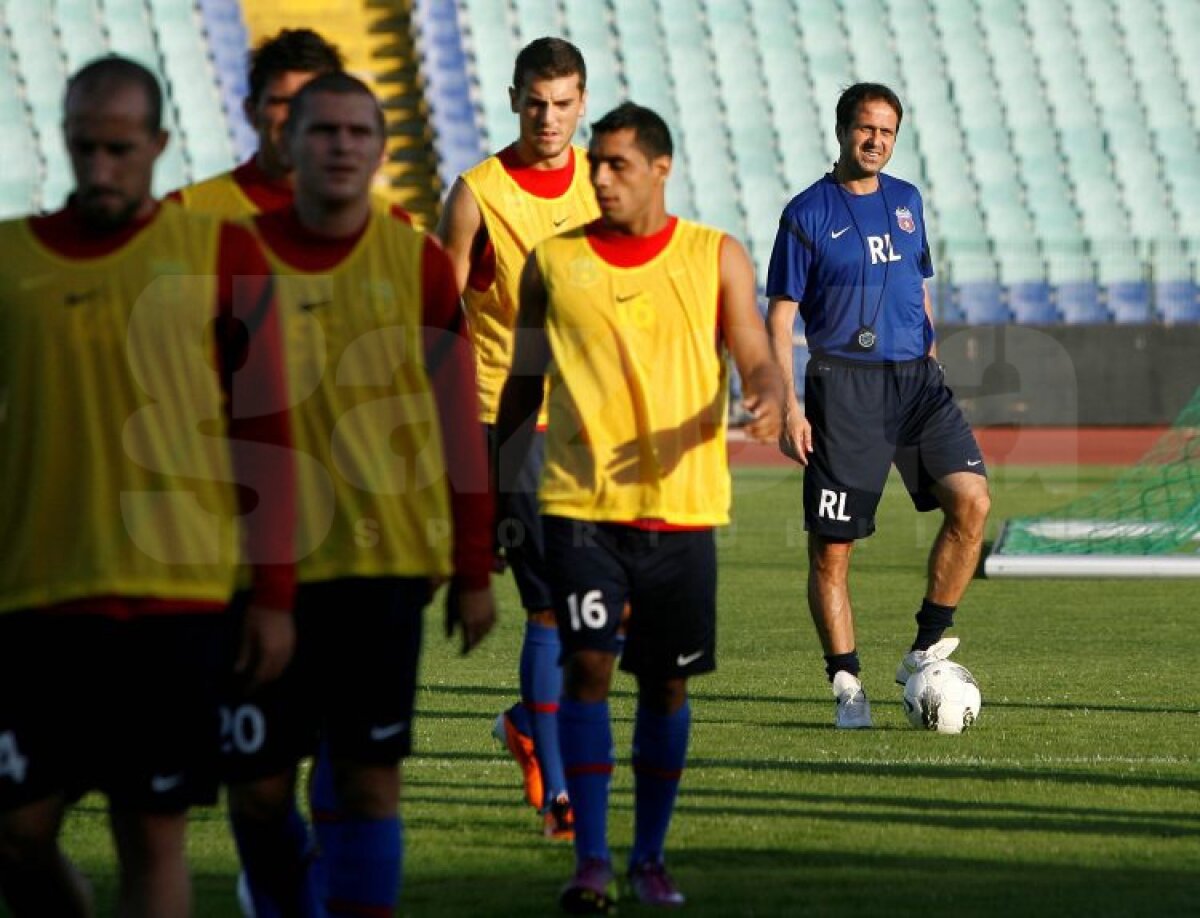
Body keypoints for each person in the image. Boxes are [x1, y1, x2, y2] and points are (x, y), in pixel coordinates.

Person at [0, 56, 296, 916]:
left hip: (174, 601)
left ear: (158, 144)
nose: (100, 168)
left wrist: (273, 593)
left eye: (119, 149)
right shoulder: (11, 262)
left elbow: (265, 431)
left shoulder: (218, 251)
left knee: (151, 832)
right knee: (14, 832)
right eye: (85, 148)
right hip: (31, 600)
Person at [495, 101, 784, 913]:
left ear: (661, 168)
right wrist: (497, 491)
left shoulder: (714, 255)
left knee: (664, 686)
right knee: (587, 665)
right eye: (597, 164)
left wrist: (767, 398)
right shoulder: (554, 262)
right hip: (580, 508)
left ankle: (648, 858)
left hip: (685, 511)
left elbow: (756, 355)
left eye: (619, 163)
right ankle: (590, 860)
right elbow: (521, 386)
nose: (601, 178)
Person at [222, 72, 496, 918]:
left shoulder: (411, 258)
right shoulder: (230, 254)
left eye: (357, 132)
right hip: (253, 570)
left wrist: (475, 563)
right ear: (288, 144)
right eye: (322, 130)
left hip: (382, 568)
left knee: (371, 781)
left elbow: (458, 414)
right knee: (259, 795)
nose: (341, 145)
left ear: (379, 151)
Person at [764, 83, 991, 729]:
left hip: (918, 383)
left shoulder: (908, 201)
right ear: (842, 131)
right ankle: (846, 683)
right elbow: (779, 318)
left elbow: (917, 289)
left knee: (972, 501)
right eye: (866, 129)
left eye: (888, 131)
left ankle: (924, 646)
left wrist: (933, 353)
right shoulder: (806, 214)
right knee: (833, 551)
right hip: (846, 390)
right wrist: (789, 407)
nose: (876, 141)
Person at [436, 36, 598, 839]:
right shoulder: (476, 194)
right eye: (536, 102)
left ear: (583, 104)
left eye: (563, 103)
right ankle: (561, 790)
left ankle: (527, 724)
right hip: (513, 425)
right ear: (513, 100)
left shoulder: (607, 184)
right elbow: (434, 319)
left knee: (602, 613)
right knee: (549, 610)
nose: (549, 117)